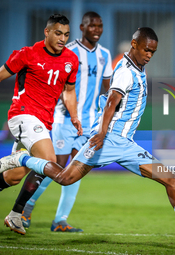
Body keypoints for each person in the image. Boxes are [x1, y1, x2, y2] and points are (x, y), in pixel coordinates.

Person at [0, 27, 175, 242]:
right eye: (146, 49)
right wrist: (102, 133)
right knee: (65, 178)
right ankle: (22, 158)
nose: (149, 55)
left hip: (125, 143)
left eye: (153, 52)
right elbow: (112, 102)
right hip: (107, 140)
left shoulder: (137, 67)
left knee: (173, 181)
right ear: (134, 44)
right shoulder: (125, 71)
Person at [0, 14, 81, 237]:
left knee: (14, 176)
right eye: (58, 33)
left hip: (43, 122)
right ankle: (17, 212)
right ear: (47, 32)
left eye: (66, 34)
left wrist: (74, 116)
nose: (62, 38)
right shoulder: (27, 54)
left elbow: (69, 91)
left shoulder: (71, 60)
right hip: (22, 115)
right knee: (50, 160)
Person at [21, 11, 113, 232]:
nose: (97, 30)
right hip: (64, 118)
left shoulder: (105, 55)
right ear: (82, 28)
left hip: (90, 124)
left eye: (100, 26)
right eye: (92, 26)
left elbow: (108, 88)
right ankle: (25, 208)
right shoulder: (69, 50)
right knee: (57, 165)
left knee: (77, 168)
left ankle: (60, 220)